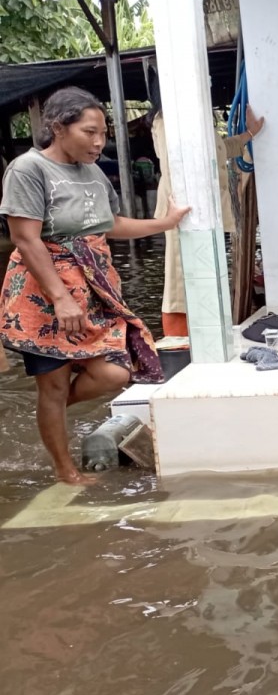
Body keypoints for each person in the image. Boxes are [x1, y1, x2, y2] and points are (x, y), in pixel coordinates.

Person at [0, 87, 190, 486]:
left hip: (93, 289)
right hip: (45, 293)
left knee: (114, 373)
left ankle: (49, 411)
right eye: (90, 132)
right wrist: (61, 298)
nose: (99, 142)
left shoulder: (92, 172)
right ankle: (65, 472)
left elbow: (110, 224)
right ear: (57, 127)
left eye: (103, 132)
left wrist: (164, 224)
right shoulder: (28, 169)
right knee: (52, 383)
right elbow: (26, 239)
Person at [149, 95, 264, 337]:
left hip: (203, 210)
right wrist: (175, 211)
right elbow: (173, 166)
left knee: (204, 275)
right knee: (180, 279)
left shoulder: (194, 117)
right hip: (183, 209)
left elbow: (220, 149)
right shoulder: (169, 118)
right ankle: (179, 339)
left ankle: (207, 334)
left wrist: (248, 135)